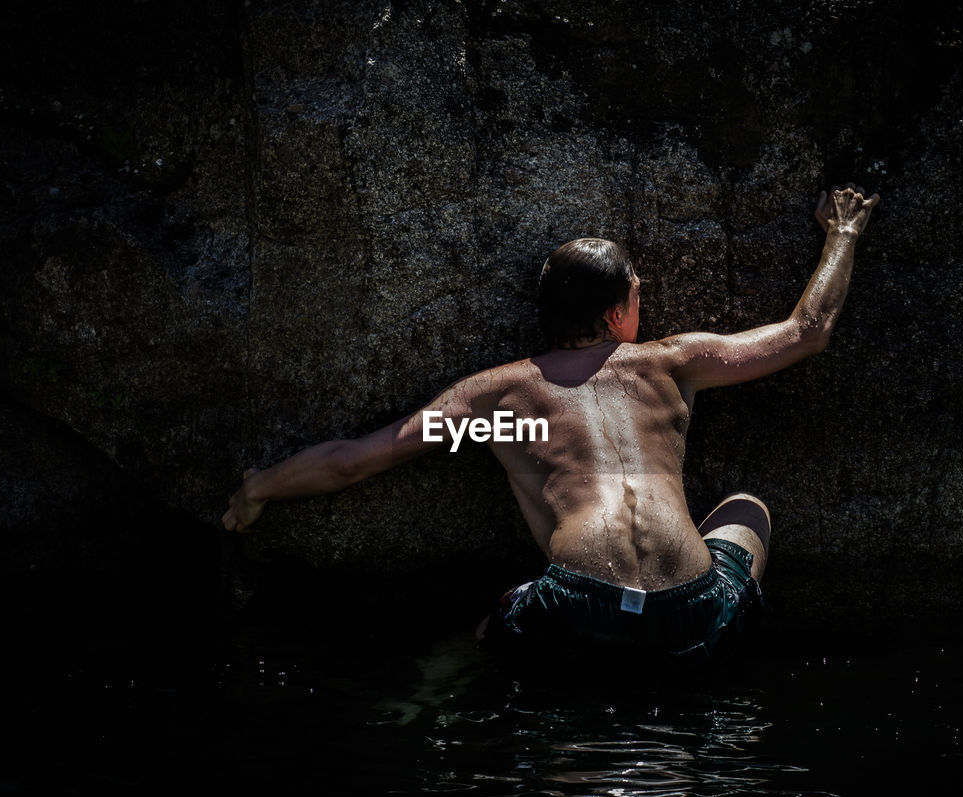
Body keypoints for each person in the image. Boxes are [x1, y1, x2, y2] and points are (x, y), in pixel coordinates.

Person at [223, 185, 878, 667]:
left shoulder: (497, 404)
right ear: (622, 306)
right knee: (746, 508)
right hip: (691, 610)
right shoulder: (671, 363)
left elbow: (354, 459)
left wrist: (260, 488)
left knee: (496, 620)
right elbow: (806, 333)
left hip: (577, 612)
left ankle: (426, 701)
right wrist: (842, 234)